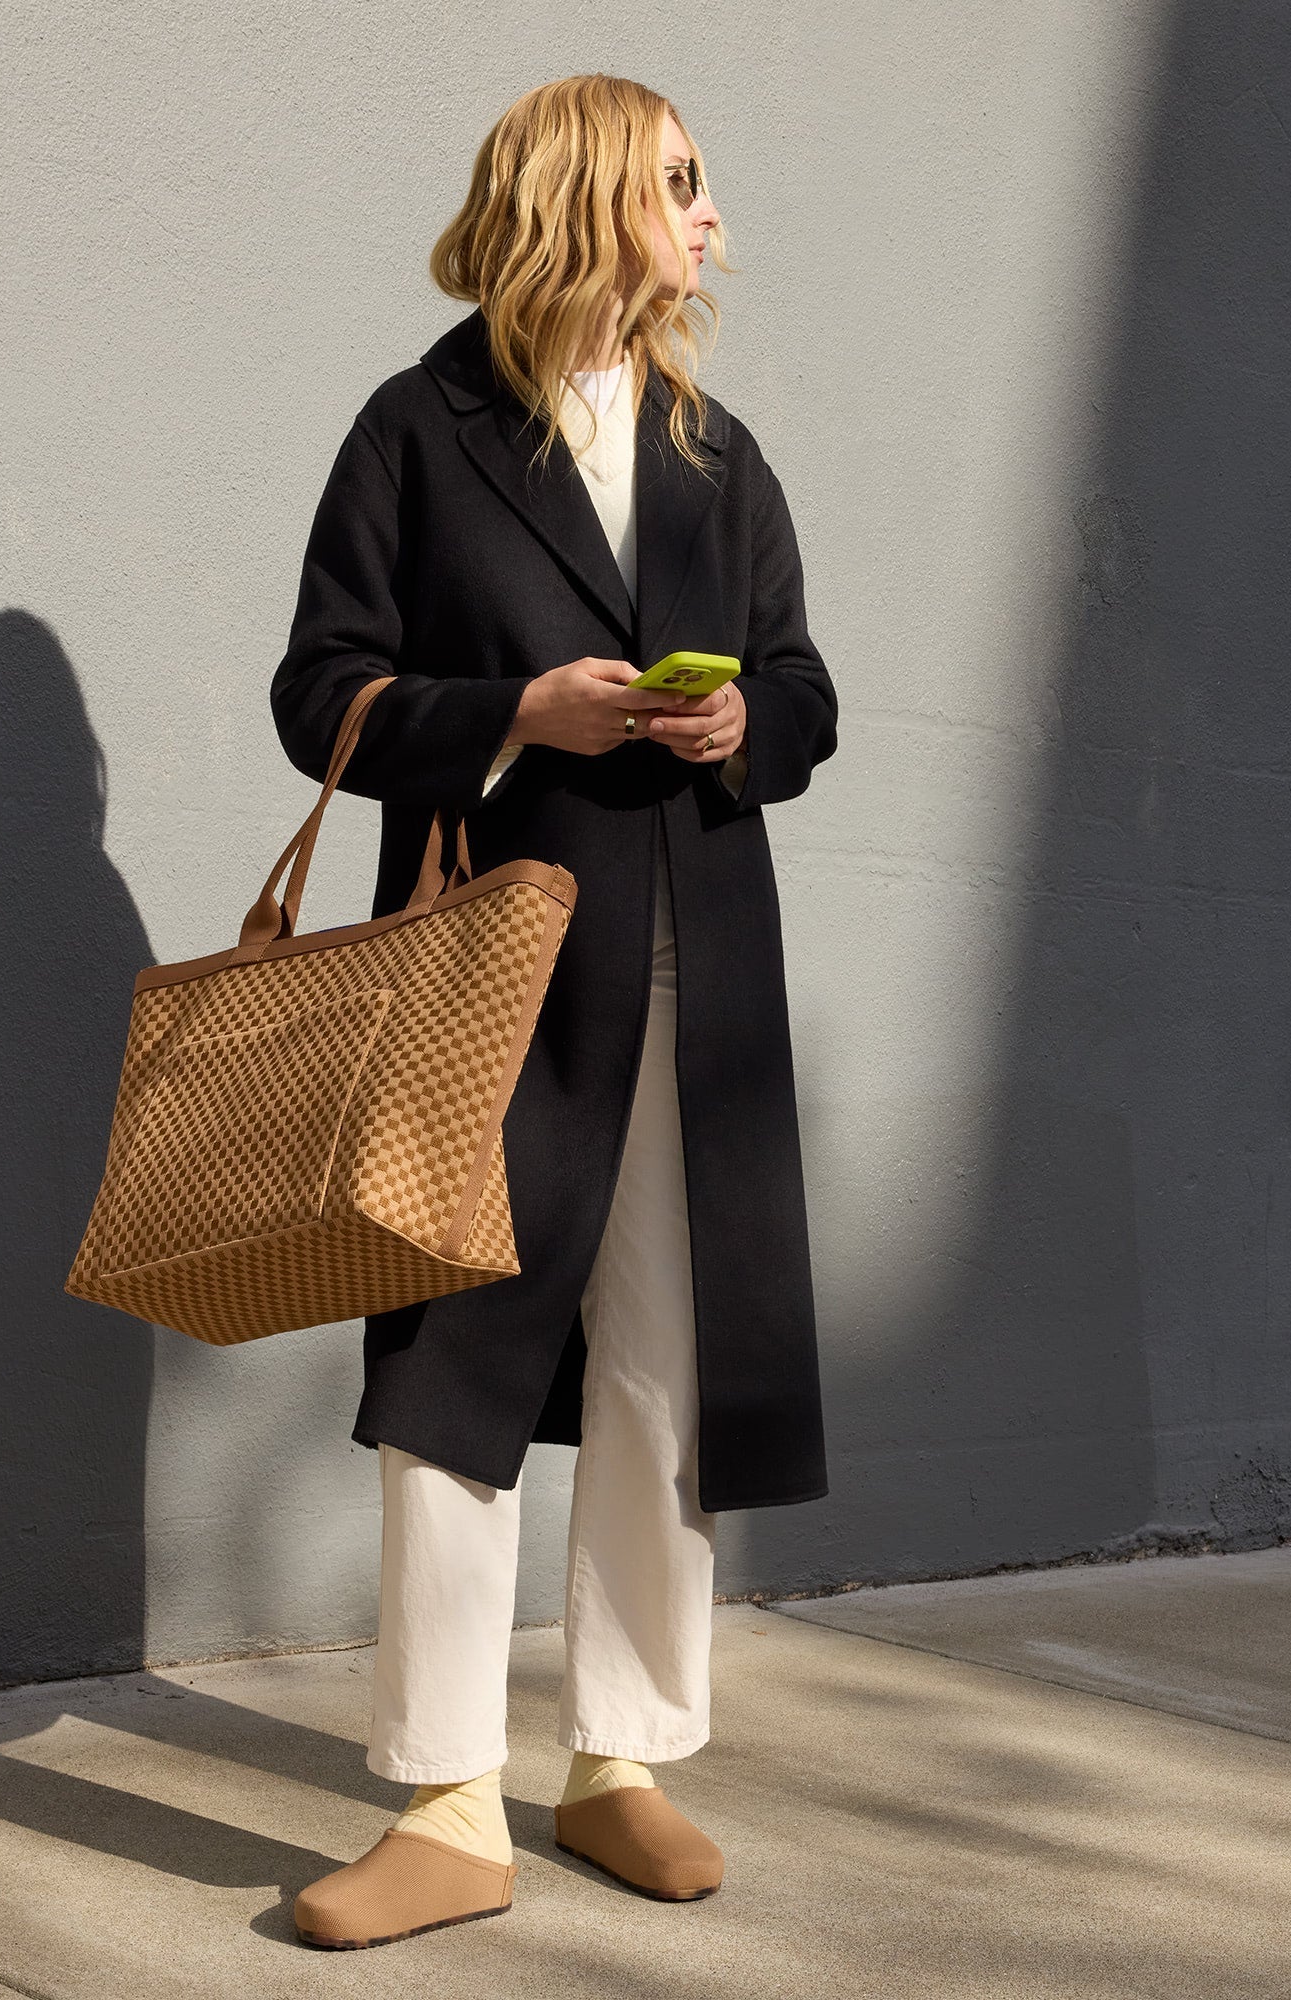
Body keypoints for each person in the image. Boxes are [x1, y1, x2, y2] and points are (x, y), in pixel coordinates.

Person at [269, 72, 838, 1950]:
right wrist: (523, 712)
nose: (709, 221)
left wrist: (749, 718)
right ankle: (446, 1798)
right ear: (586, 201)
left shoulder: (715, 450)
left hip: (696, 953)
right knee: (458, 1363)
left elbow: (810, 690)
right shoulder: (416, 434)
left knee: (669, 1360)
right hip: (497, 976)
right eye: (680, 184)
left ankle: (619, 1760)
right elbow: (321, 693)